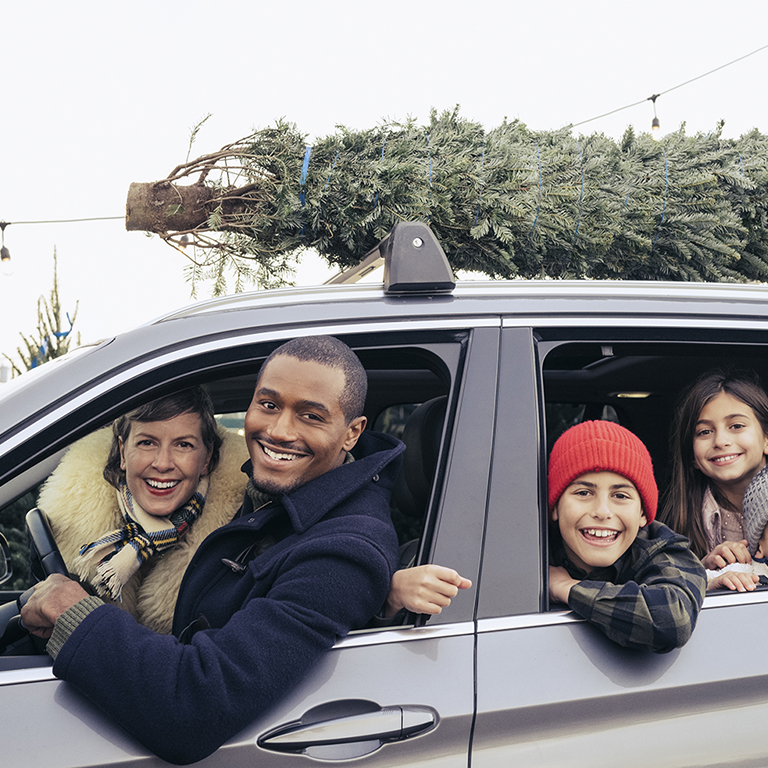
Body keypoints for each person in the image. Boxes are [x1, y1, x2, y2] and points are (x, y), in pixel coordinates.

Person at [21, 335, 404, 765]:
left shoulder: (344, 553)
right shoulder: (268, 493)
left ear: (352, 433)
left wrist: (74, 612)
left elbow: (193, 709)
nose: (279, 431)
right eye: (269, 404)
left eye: (311, 415)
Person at [36, 386, 250, 634]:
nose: (162, 464)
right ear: (123, 452)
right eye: (147, 442)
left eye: (183, 445)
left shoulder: (243, 537)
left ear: (206, 458)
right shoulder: (70, 527)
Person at [547, 419, 706, 653]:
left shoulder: (662, 547)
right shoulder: (531, 546)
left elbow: (671, 620)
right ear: (555, 508)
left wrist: (568, 588)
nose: (602, 512)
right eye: (583, 492)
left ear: (643, 514)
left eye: (620, 495)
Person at [660, 370, 768, 591]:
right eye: (705, 431)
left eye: (736, 426)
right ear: (692, 457)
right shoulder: (679, 521)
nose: (720, 441)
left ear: (766, 438)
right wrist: (702, 570)